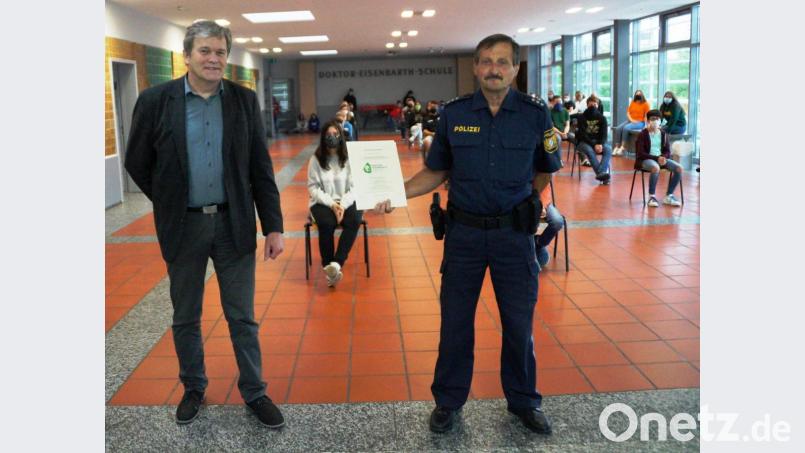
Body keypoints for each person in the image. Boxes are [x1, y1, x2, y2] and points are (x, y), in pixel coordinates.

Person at [375, 33, 560, 436]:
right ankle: (448, 401)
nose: (494, 68)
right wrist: (394, 192)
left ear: (514, 69)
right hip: (465, 237)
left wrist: (524, 201)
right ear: (476, 67)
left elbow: (546, 168)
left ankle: (524, 400)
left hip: (514, 237)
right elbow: (436, 171)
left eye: (502, 62)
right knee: (455, 323)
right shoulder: (454, 114)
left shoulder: (535, 114)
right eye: (486, 61)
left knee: (518, 323)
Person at [124, 20, 285, 428]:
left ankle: (255, 391)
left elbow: (260, 168)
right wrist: (171, 200)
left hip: (234, 226)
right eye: (205, 51)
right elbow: (137, 162)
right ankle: (194, 387)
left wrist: (273, 226)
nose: (214, 59)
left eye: (220, 52)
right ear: (187, 56)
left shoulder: (244, 102)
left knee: (242, 317)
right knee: (186, 315)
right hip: (184, 226)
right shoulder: (156, 101)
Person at [307, 120, 364, 286]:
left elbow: (354, 187)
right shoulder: (315, 160)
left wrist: (342, 205)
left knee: (354, 220)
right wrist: (332, 204)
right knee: (326, 223)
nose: (331, 138)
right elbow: (313, 188)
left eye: (335, 134)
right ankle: (328, 266)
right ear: (323, 138)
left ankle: (336, 264)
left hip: (346, 200)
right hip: (323, 202)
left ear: (341, 136)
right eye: (328, 135)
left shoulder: (348, 159)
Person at [634, 109, 683, 207]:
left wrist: (664, 157)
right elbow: (641, 153)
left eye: (657, 119)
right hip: (645, 160)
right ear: (648, 121)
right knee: (655, 167)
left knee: (679, 168)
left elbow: (667, 151)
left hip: (660, 159)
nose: (655, 121)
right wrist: (657, 158)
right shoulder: (642, 134)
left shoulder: (663, 134)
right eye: (653, 119)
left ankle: (669, 195)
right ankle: (651, 196)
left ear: (660, 121)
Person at [576, 95, 612, 184]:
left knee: (608, 149)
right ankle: (603, 175)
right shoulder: (581, 117)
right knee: (590, 151)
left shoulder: (602, 118)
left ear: (598, 105)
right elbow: (583, 135)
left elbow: (604, 134)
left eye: (595, 104)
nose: (593, 106)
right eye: (591, 104)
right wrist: (594, 145)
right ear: (587, 105)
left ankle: (601, 173)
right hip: (584, 142)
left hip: (598, 142)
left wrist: (600, 144)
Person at [612, 89, 650, 155]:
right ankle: (617, 147)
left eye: (639, 94)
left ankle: (623, 147)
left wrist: (645, 125)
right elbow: (628, 112)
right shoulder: (633, 102)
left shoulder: (646, 104)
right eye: (637, 94)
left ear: (642, 95)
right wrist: (631, 120)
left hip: (640, 122)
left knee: (626, 128)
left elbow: (646, 115)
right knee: (618, 128)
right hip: (631, 120)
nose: (638, 95)